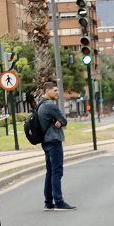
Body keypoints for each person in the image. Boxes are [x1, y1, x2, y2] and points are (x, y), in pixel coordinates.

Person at [36, 82, 75, 211]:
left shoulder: (40, 104)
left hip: (46, 142)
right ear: (47, 91)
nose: (58, 93)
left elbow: (60, 121)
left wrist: (58, 121)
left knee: (50, 172)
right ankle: (59, 202)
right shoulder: (50, 105)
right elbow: (64, 120)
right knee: (57, 172)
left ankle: (48, 202)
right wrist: (59, 121)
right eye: (55, 90)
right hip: (54, 141)